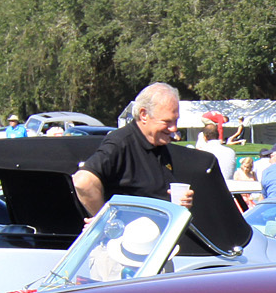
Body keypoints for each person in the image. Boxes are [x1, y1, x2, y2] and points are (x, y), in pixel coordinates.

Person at [74, 82, 192, 216]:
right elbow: (83, 182)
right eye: (167, 122)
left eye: (175, 121)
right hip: (128, 234)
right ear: (144, 115)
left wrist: (181, 202)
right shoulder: (120, 143)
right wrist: (104, 220)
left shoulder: (160, 146)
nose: (174, 128)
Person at [199, 112, 237, 178]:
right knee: (213, 127)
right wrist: (221, 138)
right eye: (225, 121)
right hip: (205, 118)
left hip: (204, 117)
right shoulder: (220, 117)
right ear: (224, 118)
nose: (223, 122)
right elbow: (220, 127)